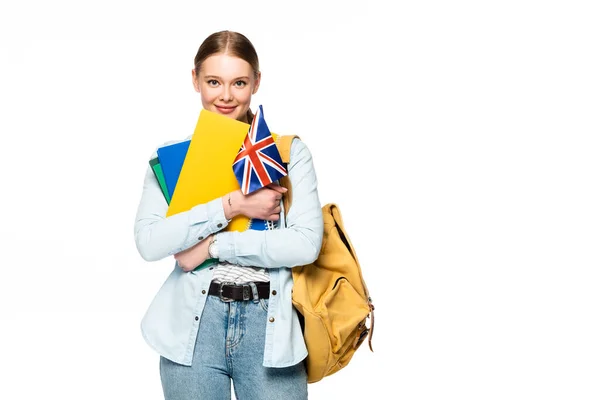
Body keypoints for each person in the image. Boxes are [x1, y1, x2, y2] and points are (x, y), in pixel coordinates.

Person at [134, 30, 324, 400]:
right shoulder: (175, 161)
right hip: (194, 322)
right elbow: (149, 242)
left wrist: (212, 246)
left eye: (238, 82)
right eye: (213, 82)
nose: (225, 95)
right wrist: (232, 205)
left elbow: (304, 244)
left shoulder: (286, 154)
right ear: (195, 80)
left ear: (256, 81)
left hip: (269, 322)